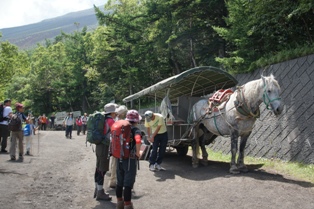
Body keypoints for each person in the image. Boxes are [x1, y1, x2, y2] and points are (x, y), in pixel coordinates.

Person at [116, 109, 142, 209]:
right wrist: (138, 152)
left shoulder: (120, 128)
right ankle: (127, 205)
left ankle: (119, 203)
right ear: (136, 121)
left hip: (119, 157)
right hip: (130, 160)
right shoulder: (136, 130)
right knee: (128, 183)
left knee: (120, 181)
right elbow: (138, 140)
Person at [94, 103, 117, 201]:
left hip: (99, 145)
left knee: (98, 167)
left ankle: (97, 189)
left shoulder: (102, 119)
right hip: (104, 146)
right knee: (102, 169)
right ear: (112, 112)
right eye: (115, 112)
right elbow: (115, 133)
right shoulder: (111, 120)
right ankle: (100, 192)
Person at [109, 105, 128, 189]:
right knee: (118, 163)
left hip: (114, 145)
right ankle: (115, 181)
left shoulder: (114, 120)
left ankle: (113, 180)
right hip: (119, 145)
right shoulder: (122, 122)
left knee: (114, 162)